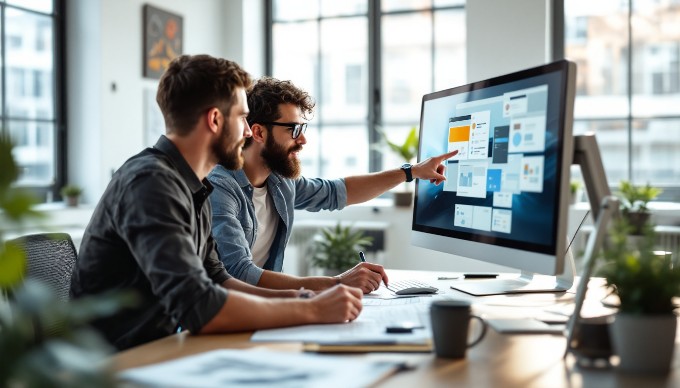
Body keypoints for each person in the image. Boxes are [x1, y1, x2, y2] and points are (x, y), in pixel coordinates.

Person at [70, 55, 362, 351]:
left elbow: (219, 279)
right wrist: (312, 311)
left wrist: (305, 299)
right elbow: (199, 306)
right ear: (214, 120)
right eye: (242, 118)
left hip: (161, 348)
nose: (249, 132)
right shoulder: (151, 184)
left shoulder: (193, 184)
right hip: (111, 364)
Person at [207, 77, 457, 294]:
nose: (303, 139)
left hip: (261, 306)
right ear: (259, 133)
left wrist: (411, 172)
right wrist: (337, 282)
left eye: (302, 128)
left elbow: (339, 191)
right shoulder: (220, 187)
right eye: (293, 129)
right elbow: (238, 272)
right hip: (221, 317)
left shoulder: (280, 182)